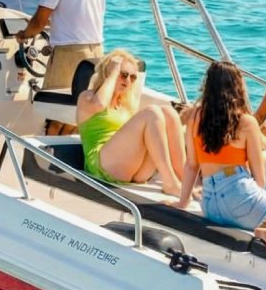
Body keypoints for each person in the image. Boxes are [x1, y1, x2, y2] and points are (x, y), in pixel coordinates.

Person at [173, 62, 266, 246]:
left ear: (208, 86)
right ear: (237, 87)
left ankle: (260, 221)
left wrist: (182, 202)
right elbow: (260, 179)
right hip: (239, 196)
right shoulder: (246, 122)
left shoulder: (195, 116)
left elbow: (191, 165)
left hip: (210, 205)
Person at [76, 49, 187, 196]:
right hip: (103, 166)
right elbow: (100, 104)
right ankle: (170, 182)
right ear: (108, 72)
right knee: (152, 112)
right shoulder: (87, 97)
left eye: (133, 77)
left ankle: (185, 181)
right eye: (123, 74)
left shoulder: (125, 105)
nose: (127, 80)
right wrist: (113, 73)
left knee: (168, 112)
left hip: (132, 171)